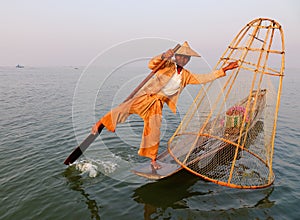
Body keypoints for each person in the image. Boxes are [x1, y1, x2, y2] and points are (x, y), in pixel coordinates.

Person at [92, 41, 239, 169]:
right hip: (146, 96)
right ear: (176, 57)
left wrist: (224, 70)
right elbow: (151, 64)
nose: (183, 59)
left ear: (188, 60)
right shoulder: (166, 65)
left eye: (186, 58)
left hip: (158, 104)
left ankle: (153, 159)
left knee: (154, 130)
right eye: (181, 56)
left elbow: (203, 78)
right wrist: (163, 56)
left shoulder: (186, 75)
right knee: (123, 109)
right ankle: (101, 122)